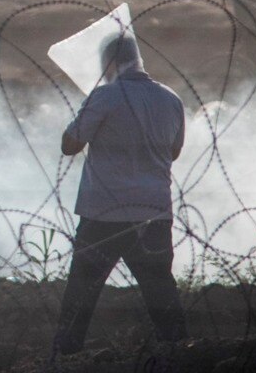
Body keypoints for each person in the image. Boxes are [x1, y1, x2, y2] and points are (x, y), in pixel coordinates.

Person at [54, 32, 188, 357]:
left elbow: (69, 145)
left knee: (81, 293)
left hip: (105, 215)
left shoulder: (104, 97)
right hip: (154, 213)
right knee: (160, 290)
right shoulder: (171, 98)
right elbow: (174, 151)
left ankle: (66, 358)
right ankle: (182, 354)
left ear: (109, 62)